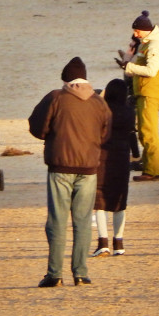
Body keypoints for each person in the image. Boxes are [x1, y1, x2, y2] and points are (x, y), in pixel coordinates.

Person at [28, 56, 111, 286]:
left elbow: (36, 126)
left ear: (65, 79)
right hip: (88, 168)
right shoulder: (99, 102)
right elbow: (106, 133)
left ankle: (55, 274)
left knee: (57, 220)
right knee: (83, 221)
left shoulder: (56, 97)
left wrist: (52, 135)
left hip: (60, 166)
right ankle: (81, 273)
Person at [92, 78, 139, 257]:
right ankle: (119, 242)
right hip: (121, 158)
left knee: (101, 201)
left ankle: (103, 243)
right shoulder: (129, 111)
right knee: (120, 202)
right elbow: (132, 133)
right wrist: (136, 153)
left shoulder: (102, 110)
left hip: (102, 157)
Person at [120, 12, 159, 182]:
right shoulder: (145, 45)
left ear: (145, 30)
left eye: (137, 31)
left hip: (149, 93)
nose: (135, 34)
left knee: (149, 133)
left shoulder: (154, 46)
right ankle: (148, 167)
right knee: (144, 133)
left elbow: (151, 71)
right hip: (143, 92)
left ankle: (153, 171)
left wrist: (129, 67)